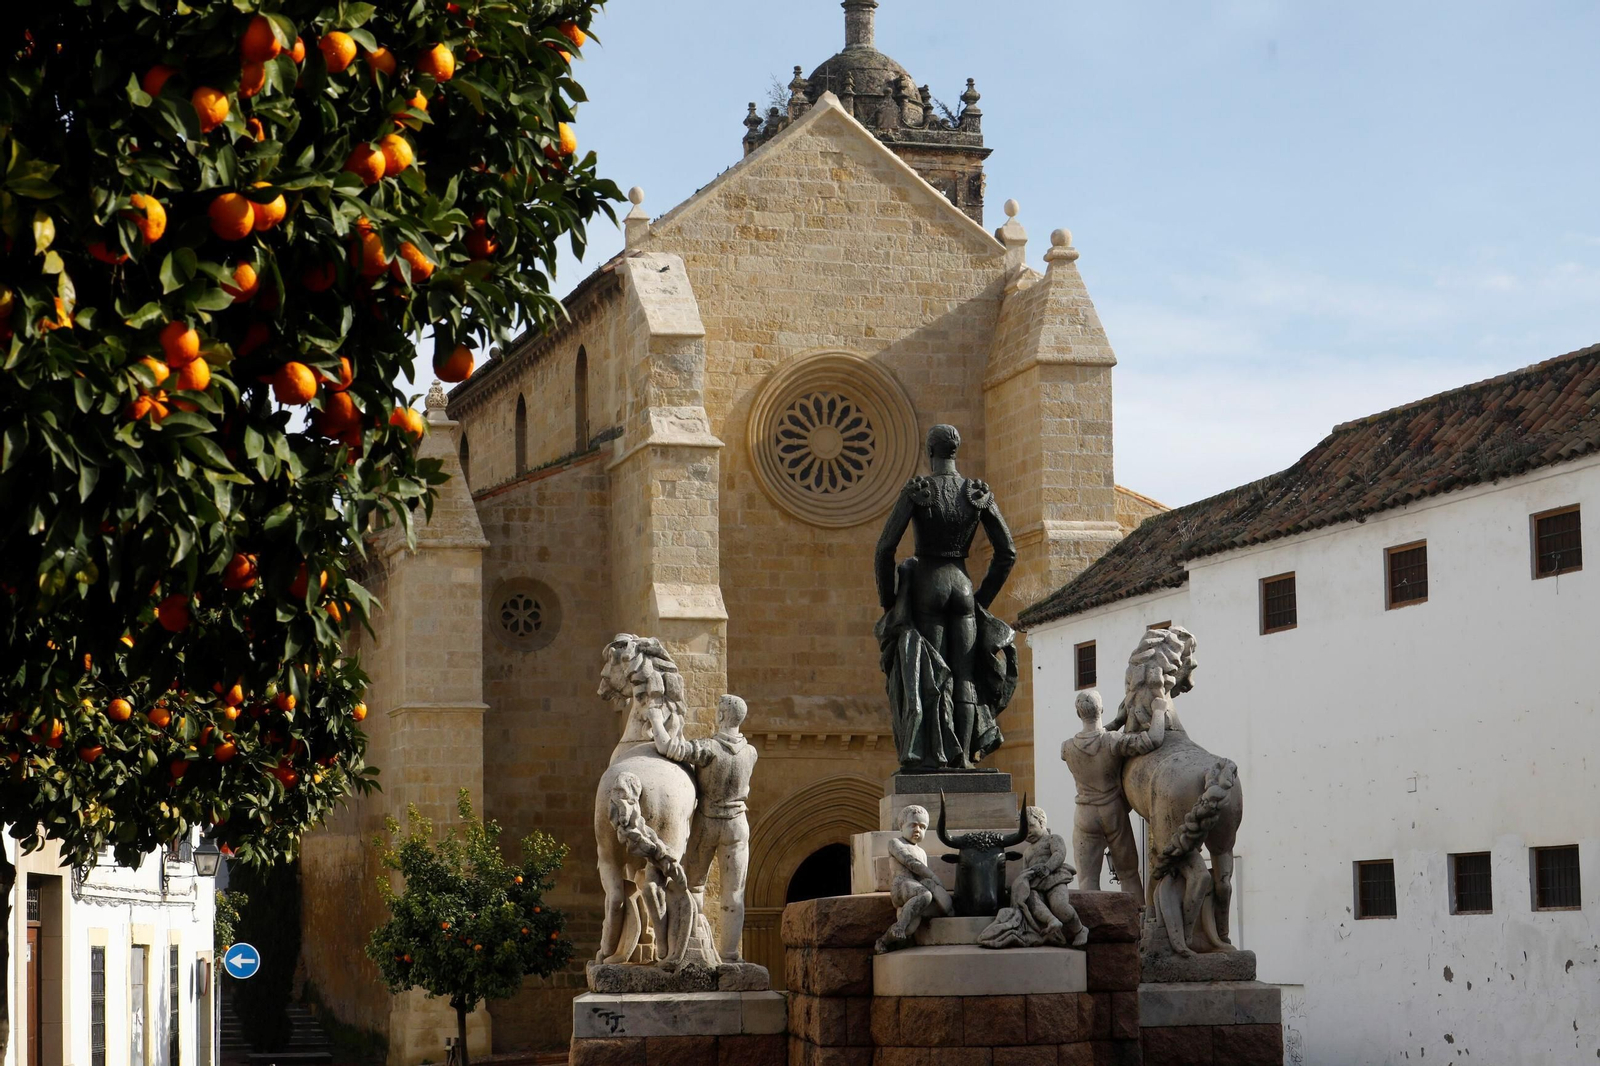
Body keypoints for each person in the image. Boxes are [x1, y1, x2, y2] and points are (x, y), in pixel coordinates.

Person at [874, 424, 1018, 770]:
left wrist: (890, 601)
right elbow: (1007, 552)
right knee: (965, 676)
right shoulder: (975, 492)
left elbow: (885, 549)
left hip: (928, 584)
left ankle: (936, 756)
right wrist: (980, 598)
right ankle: (965, 758)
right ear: (956, 451)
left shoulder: (918, 491)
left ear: (929, 452)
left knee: (932, 673)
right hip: (962, 586)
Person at [646, 694, 758, 962]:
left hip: (708, 821)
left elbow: (668, 746)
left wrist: (655, 719)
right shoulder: (751, 752)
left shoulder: (708, 748)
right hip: (738, 825)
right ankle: (730, 955)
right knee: (734, 893)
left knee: (695, 886)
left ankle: (694, 946)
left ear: (720, 716)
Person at [1060, 688, 1167, 897]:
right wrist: (1159, 711)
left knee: (1087, 880)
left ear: (1078, 714)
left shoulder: (1067, 748)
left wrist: (1116, 722)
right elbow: (1153, 739)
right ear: (1101, 709)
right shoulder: (1114, 741)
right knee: (1128, 875)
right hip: (1113, 812)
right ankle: (1136, 923)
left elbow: (1093, 736)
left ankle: (1092, 928)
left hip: (1084, 815)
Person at [874, 805, 954, 954]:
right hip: (901, 885)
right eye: (913, 825)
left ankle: (883, 941)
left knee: (910, 929)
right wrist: (933, 876)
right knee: (925, 894)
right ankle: (899, 926)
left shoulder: (921, 851)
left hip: (916, 889)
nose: (918, 829)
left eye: (923, 827)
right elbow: (910, 862)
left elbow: (921, 875)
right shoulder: (895, 843)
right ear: (901, 826)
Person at [1011, 806, 1088, 947]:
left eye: (1031, 826)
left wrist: (1047, 868)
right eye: (1023, 829)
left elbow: (1059, 854)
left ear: (1042, 822)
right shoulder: (1027, 851)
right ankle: (1051, 920)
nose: (1027, 832)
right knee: (1032, 901)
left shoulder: (1053, 839)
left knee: (1060, 906)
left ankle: (1080, 930)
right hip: (1036, 884)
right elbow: (1024, 871)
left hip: (1054, 878)